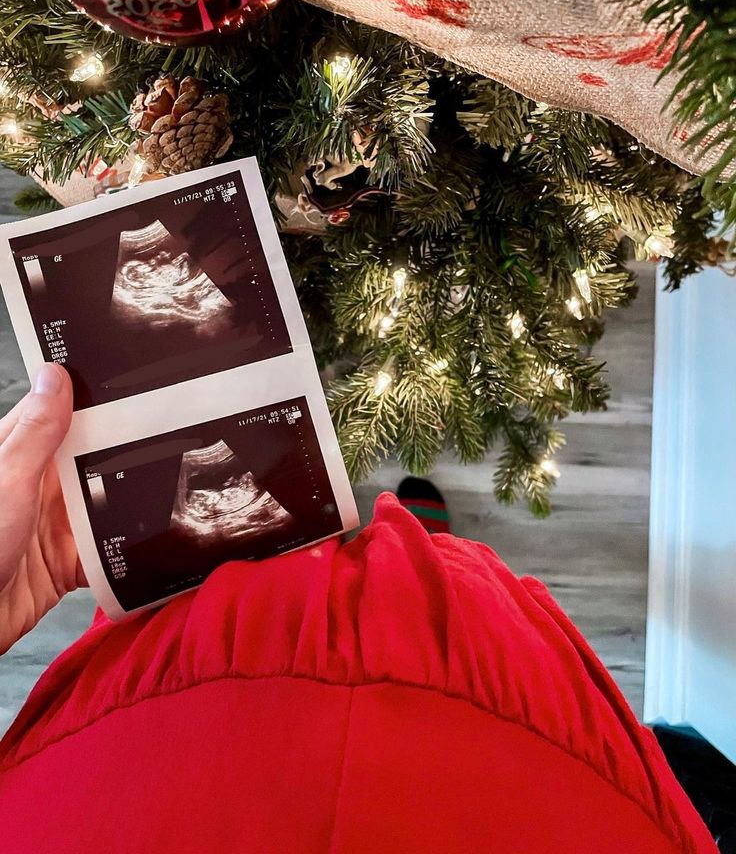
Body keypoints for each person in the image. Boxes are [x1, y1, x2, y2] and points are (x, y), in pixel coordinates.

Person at [0, 365, 718, 853]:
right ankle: (421, 558)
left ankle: (403, 557)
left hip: (133, 766)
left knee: (233, 564)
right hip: (517, 772)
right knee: (681, 751)